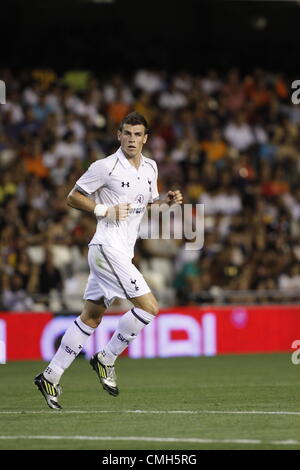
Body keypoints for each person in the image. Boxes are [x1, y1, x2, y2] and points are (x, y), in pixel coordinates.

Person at [34, 112, 183, 410]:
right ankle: (107, 357)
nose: (131, 139)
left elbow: (145, 204)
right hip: (106, 248)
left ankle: (51, 375)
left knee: (91, 317)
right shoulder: (105, 166)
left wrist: (164, 202)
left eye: (137, 134)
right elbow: (73, 197)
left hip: (119, 252)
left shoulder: (151, 167)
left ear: (145, 138)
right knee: (150, 306)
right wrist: (103, 210)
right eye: (127, 133)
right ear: (119, 135)